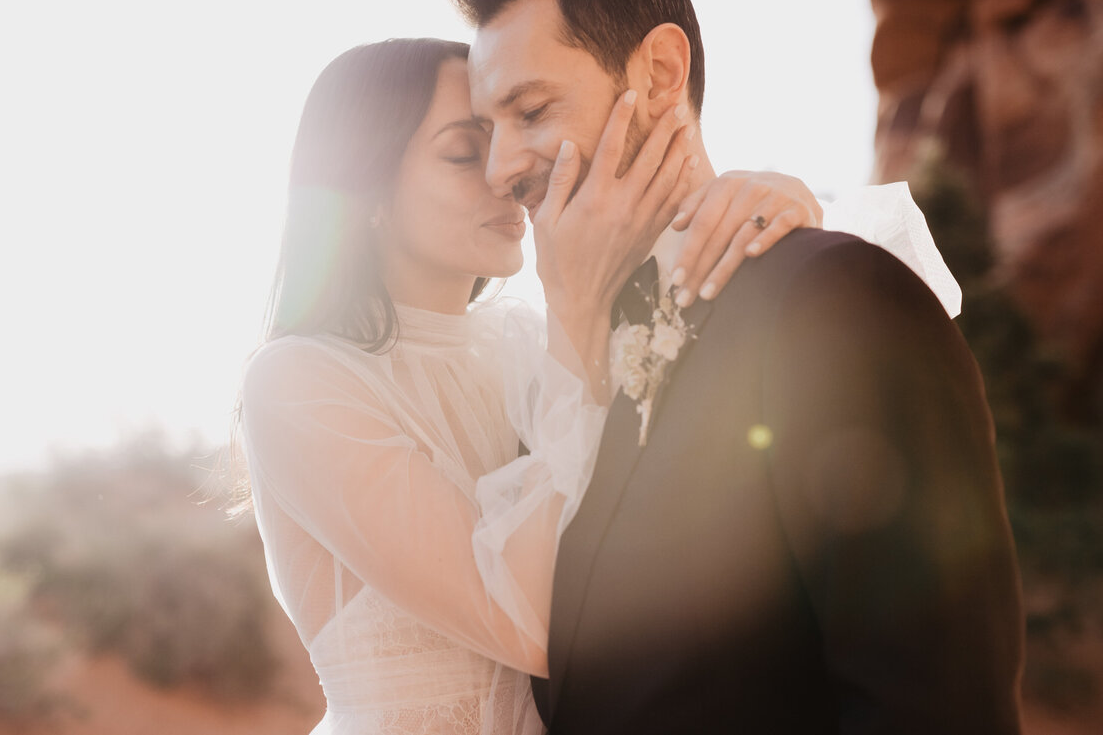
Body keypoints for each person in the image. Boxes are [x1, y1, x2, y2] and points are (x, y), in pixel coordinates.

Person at [237, 38, 950, 734]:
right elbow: (534, 621)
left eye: (513, 137)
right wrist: (575, 309)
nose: (506, 173)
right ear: (364, 189)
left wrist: (769, 204)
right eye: (464, 150)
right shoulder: (298, 382)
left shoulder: (523, 346)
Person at [449, 0, 1025, 733]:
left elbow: (937, 704)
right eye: (485, 129)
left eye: (532, 110)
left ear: (659, 73)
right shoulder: (559, 380)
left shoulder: (834, 300)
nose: (501, 166)